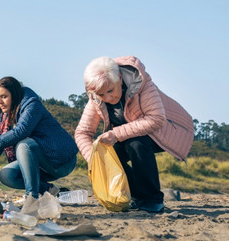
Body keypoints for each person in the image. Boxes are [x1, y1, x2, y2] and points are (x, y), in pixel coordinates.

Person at [75, 56, 194, 213]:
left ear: (119, 78)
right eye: (102, 95)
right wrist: (94, 160)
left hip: (166, 130)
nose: (108, 98)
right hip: (126, 134)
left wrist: (116, 133)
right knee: (107, 154)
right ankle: (137, 196)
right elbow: (82, 132)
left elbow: (157, 119)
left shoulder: (142, 84)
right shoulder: (97, 96)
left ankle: (152, 199)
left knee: (135, 143)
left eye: (110, 91)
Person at [0, 76, 79, 202]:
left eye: (4, 96)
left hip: (61, 160)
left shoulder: (32, 105)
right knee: (7, 175)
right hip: (37, 164)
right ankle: (50, 190)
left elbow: (22, 131)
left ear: (15, 94)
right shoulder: (4, 118)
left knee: (25, 145)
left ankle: (31, 198)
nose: (0, 102)